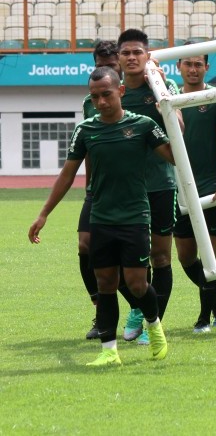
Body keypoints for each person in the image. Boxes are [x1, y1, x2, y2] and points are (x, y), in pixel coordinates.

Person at [29, 66, 172, 366]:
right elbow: (67, 175)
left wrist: (169, 113)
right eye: (95, 97)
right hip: (101, 217)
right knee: (105, 283)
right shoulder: (86, 130)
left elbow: (175, 156)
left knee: (136, 283)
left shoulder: (143, 125)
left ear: (120, 91)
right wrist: (43, 215)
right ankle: (109, 351)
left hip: (135, 215)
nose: (101, 102)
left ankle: (154, 324)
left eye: (106, 94)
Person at [117, 29, 182, 345]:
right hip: (122, 190)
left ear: (147, 57)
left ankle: (153, 323)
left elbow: (179, 129)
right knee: (116, 257)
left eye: (137, 52)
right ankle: (137, 307)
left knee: (160, 258)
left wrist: (165, 109)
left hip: (159, 186)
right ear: (118, 58)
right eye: (126, 52)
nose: (131, 57)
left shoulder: (162, 86)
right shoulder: (110, 94)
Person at [174, 50, 216, 334]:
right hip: (179, 188)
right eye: (188, 64)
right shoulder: (169, 98)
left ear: (207, 67)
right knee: (185, 256)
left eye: (199, 64)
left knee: (209, 254)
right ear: (179, 66)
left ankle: (204, 318)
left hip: (211, 187)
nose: (193, 69)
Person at [77, 40, 120, 340]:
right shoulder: (89, 102)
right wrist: (89, 188)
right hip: (99, 189)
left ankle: (143, 316)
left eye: (110, 63)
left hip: (135, 190)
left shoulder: (136, 93)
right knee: (85, 245)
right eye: (99, 63)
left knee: (139, 260)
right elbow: (89, 148)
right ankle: (101, 311)